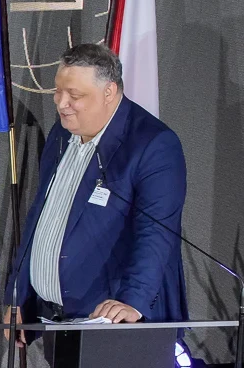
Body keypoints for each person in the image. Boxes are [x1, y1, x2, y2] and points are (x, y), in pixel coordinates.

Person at [14, 43, 187, 325]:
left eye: (75, 95)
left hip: (112, 325)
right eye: (58, 91)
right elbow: (40, 215)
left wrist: (133, 302)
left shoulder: (153, 145)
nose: (61, 103)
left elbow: (156, 233)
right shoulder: (62, 133)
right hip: (53, 319)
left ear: (109, 92)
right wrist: (19, 295)